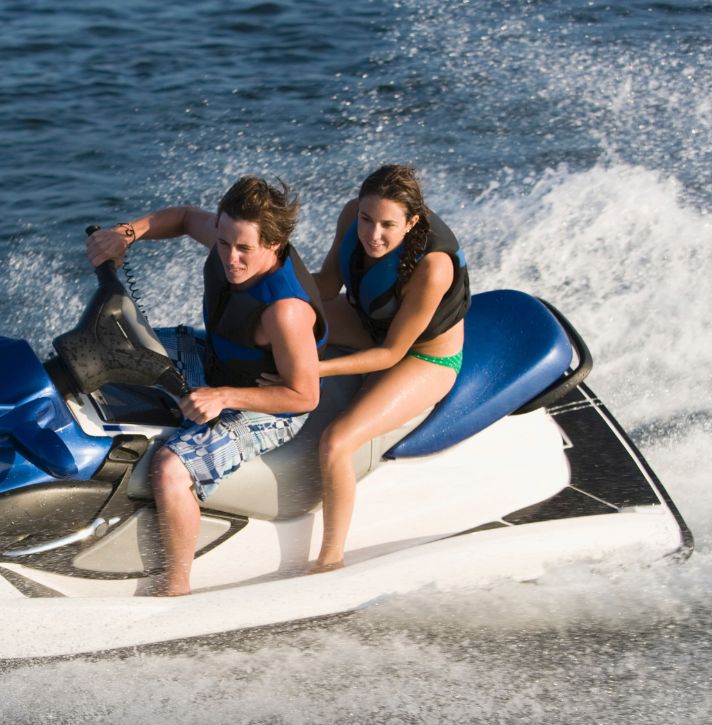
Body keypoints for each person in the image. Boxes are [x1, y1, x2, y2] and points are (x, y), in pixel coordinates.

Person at [86, 176, 325, 596]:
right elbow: (178, 217)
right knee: (110, 344)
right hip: (218, 360)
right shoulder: (227, 234)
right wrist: (126, 234)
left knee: (170, 470)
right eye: (224, 243)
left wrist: (224, 396)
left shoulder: (286, 312)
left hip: (267, 404)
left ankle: (175, 586)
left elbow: (304, 395)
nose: (231, 258)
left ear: (273, 244)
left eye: (244, 249)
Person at [301, 164, 469, 573]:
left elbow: (393, 353)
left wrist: (314, 370)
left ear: (412, 222)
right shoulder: (350, 216)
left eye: (387, 225)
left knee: (336, 441)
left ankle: (330, 560)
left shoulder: (433, 268)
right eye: (366, 219)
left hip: (423, 357)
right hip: (369, 323)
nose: (372, 235)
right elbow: (325, 286)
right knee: (279, 330)